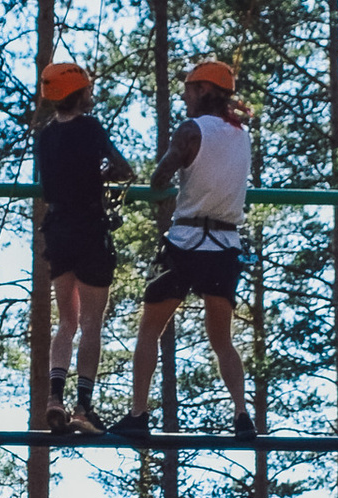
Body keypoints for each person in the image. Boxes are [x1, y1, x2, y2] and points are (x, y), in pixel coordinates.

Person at [106, 57, 256, 446]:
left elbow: (160, 177)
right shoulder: (243, 135)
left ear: (205, 91)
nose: (184, 96)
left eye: (189, 88)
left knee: (149, 330)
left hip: (185, 240)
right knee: (222, 338)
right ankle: (242, 414)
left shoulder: (191, 130)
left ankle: (138, 414)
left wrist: (171, 180)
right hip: (225, 244)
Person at [34, 56, 132, 434]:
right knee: (92, 323)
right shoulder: (91, 128)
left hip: (58, 230)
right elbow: (122, 167)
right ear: (78, 93)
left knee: (67, 321)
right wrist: (106, 174)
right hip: (90, 229)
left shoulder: (45, 135)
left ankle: (54, 397)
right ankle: (82, 408)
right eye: (88, 88)